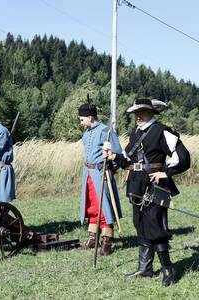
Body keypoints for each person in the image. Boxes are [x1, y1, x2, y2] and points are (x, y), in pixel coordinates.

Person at [104, 97, 190, 286]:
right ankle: (145, 269)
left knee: (155, 227)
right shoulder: (136, 132)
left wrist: (165, 172)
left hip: (155, 186)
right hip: (136, 185)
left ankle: (168, 270)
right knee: (140, 224)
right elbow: (127, 159)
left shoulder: (162, 131)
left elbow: (182, 157)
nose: (138, 116)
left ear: (151, 112)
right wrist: (114, 156)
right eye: (136, 113)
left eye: (142, 112)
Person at [78, 101, 123, 256]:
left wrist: (111, 168)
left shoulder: (106, 131)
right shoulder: (86, 133)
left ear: (90, 117)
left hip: (101, 173)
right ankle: (93, 237)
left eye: (82, 119)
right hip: (88, 174)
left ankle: (107, 240)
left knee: (104, 207)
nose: (81, 122)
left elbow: (117, 153)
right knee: (91, 206)